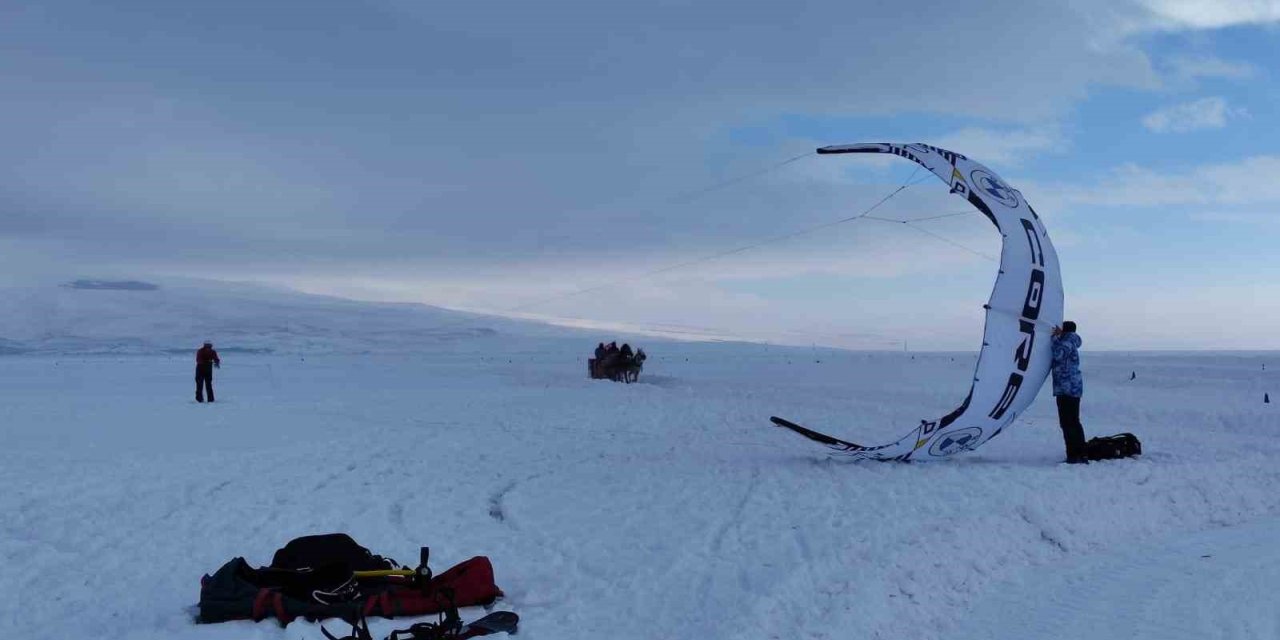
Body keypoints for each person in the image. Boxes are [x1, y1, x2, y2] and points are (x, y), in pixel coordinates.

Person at [1051, 321, 1086, 463]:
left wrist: (1054, 338)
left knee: (1068, 423)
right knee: (1073, 422)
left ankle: (1074, 455)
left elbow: (1058, 354)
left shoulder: (1067, 342)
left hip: (1067, 388)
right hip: (1071, 388)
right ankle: (1080, 453)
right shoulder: (1071, 341)